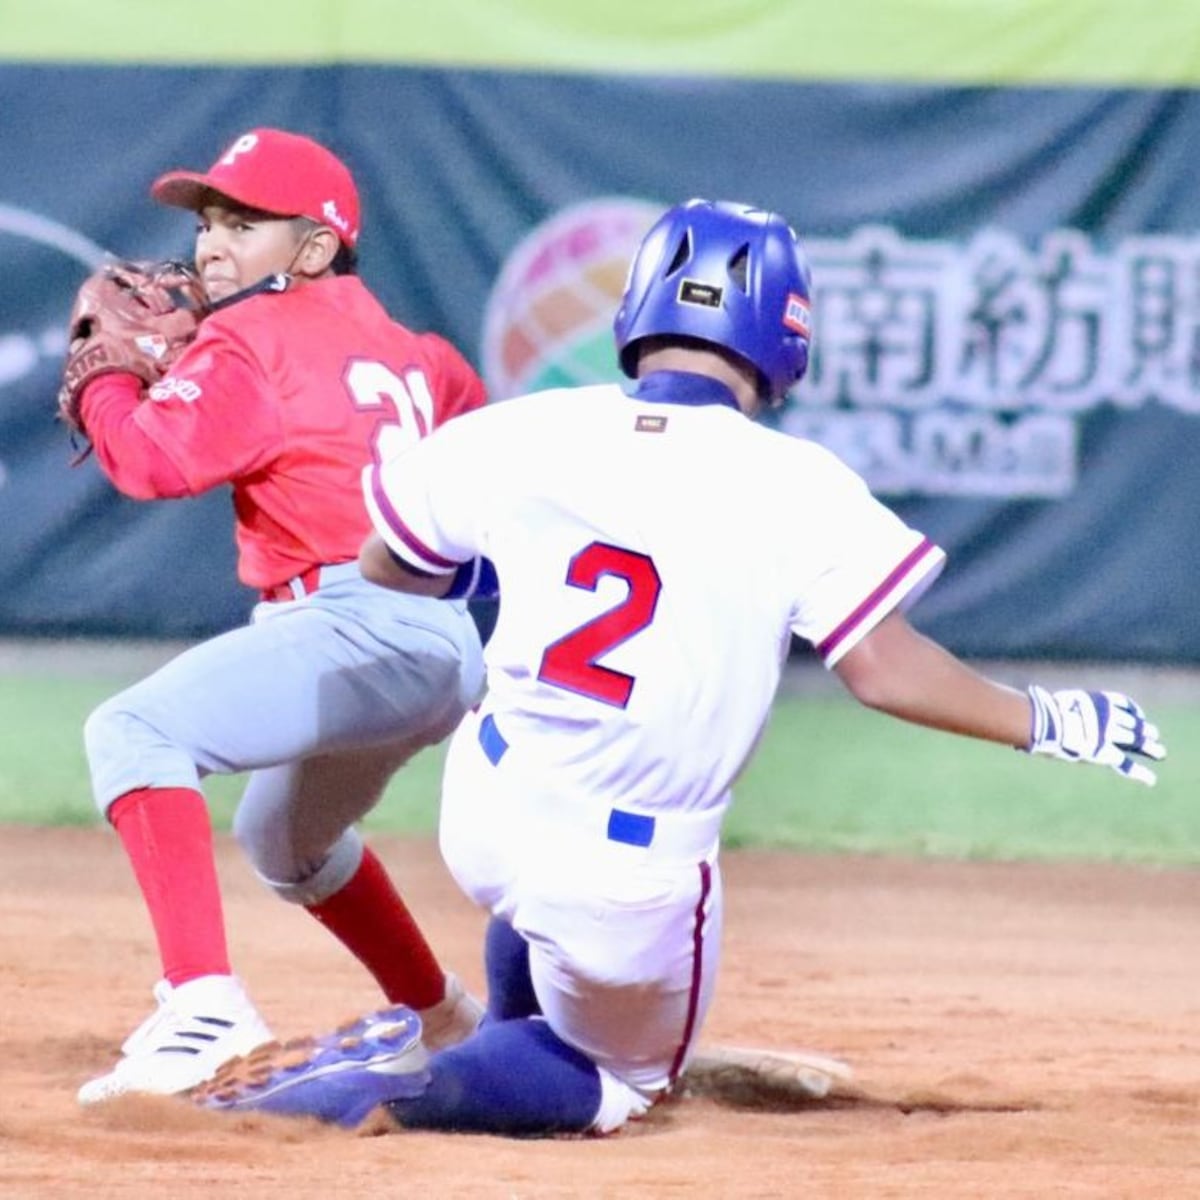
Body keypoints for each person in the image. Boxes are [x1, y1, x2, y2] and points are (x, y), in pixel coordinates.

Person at [191, 198, 1165, 1136]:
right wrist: (1047, 718)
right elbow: (882, 668)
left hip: (486, 803)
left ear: (639, 308)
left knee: (541, 905)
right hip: (626, 870)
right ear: (786, 335)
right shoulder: (799, 483)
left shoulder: (521, 430)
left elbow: (388, 565)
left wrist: (517, 554)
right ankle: (396, 1089)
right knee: (617, 1081)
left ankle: (499, 1029)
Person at [69, 128, 493, 1104]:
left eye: (245, 222)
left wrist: (108, 382)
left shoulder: (254, 334)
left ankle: (204, 1008)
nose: (213, 243)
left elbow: (150, 461)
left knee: (132, 730)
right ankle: (442, 1019)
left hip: (351, 623)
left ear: (312, 251)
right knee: (286, 842)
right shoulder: (415, 352)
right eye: (209, 221)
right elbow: (480, 441)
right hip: (441, 646)